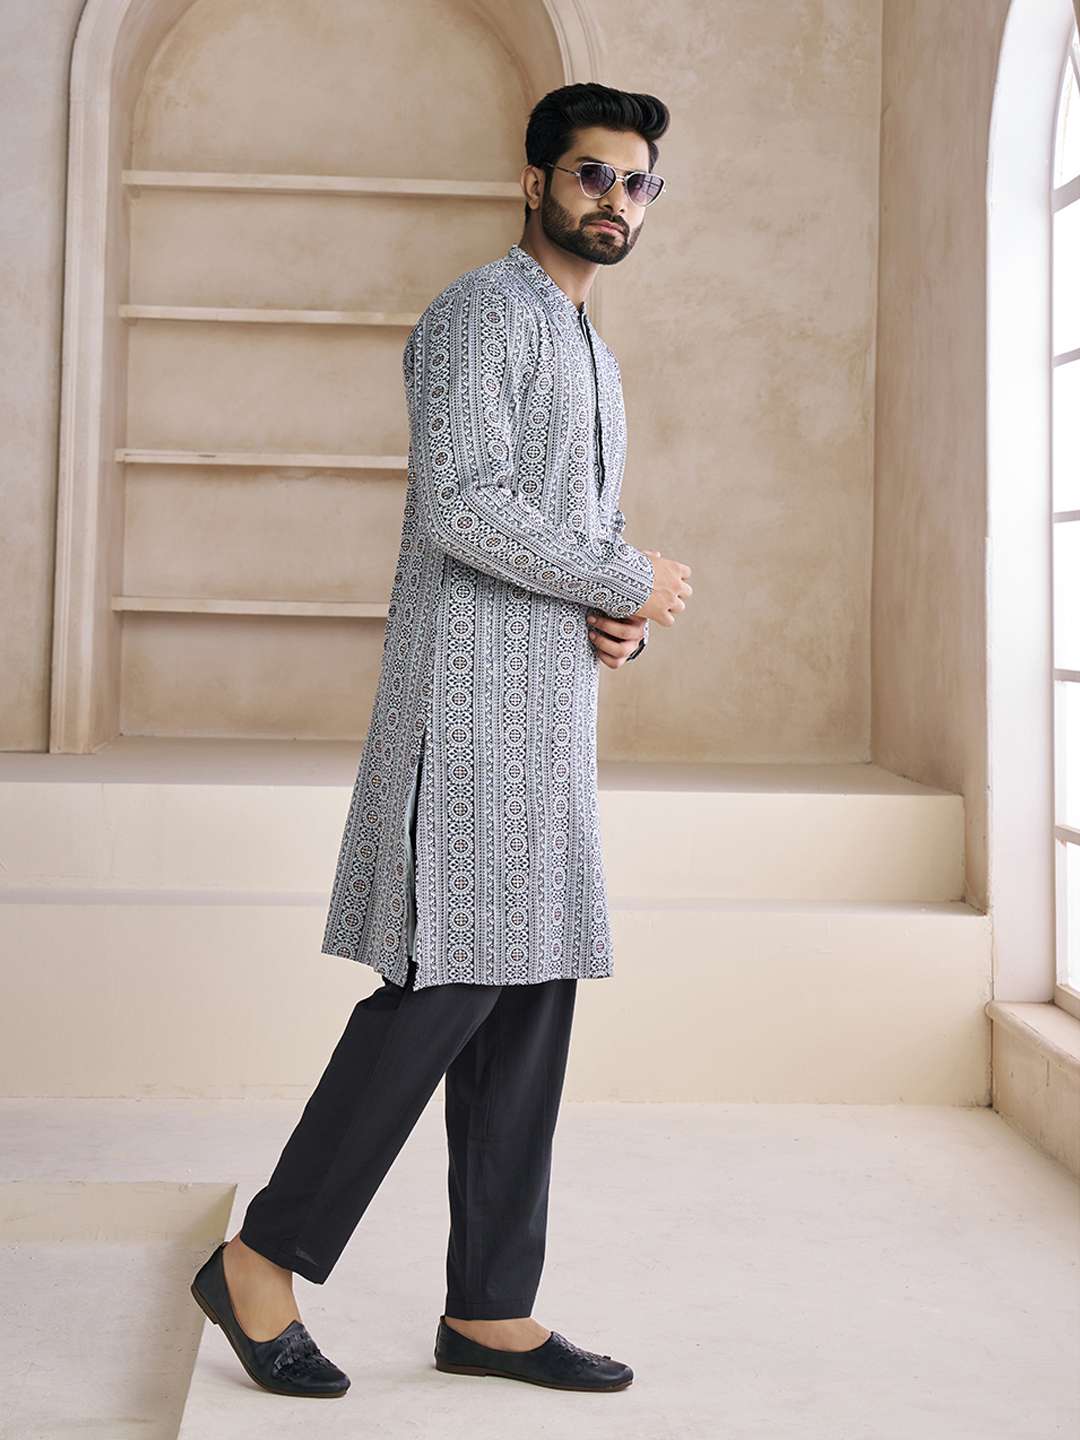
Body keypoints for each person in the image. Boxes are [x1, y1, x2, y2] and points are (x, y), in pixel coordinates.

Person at [191, 80, 693, 1400]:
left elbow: (572, 538)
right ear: (536, 183)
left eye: (638, 182)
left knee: (532, 994)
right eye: (592, 174)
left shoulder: (592, 352)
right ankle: (260, 1260)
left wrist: (617, 623)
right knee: (446, 989)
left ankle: (491, 1309)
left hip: (550, 718)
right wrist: (624, 575)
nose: (617, 200)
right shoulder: (480, 314)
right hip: (467, 713)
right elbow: (462, 505)